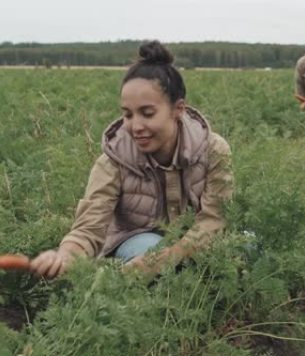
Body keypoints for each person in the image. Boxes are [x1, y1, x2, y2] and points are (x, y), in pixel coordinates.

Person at [31, 40, 234, 279]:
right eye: (127, 114)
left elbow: (214, 220)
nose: (135, 126)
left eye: (147, 113)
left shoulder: (213, 150)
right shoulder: (113, 160)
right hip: (136, 244)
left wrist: (166, 258)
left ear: (178, 109)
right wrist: (64, 256)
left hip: (192, 244)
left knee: (249, 244)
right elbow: (89, 227)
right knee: (148, 247)